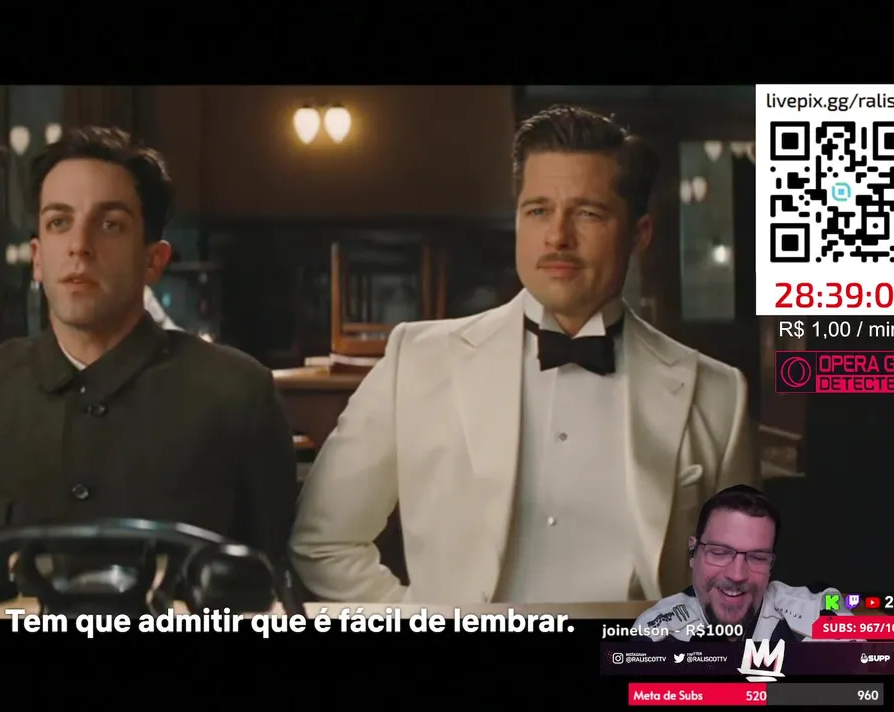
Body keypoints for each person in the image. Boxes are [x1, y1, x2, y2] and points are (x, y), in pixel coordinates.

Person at [291, 105, 757, 604]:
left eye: (587, 213)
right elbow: (323, 542)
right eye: (538, 211)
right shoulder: (417, 362)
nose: (557, 236)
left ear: (639, 234)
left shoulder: (717, 393)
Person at [0, 125, 298, 568]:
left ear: (153, 260)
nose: (79, 247)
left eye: (109, 225)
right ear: (38, 258)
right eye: (59, 222)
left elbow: (271, 579)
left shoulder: (238, 394)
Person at [632, 485, 850, 642]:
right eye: (720, 553)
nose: (737, 575)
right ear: (693, 552)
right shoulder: (657, 632)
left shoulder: (820, 607)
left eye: (757, 557)